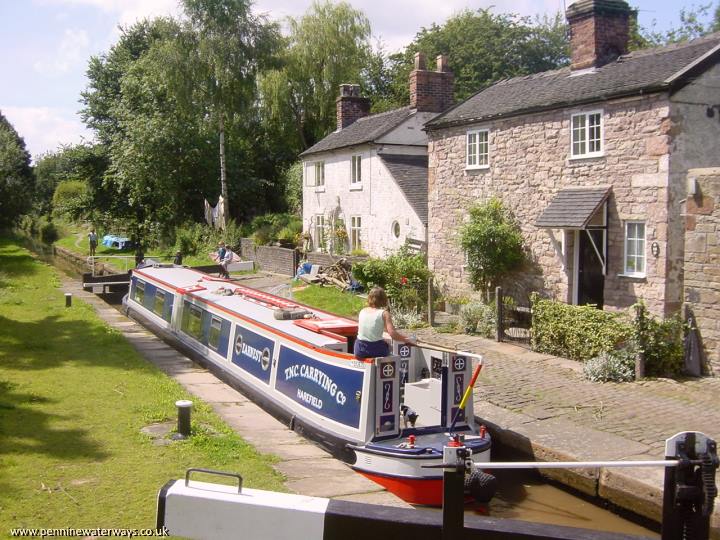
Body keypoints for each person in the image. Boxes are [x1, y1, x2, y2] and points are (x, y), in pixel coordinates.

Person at [354, 287, 416, 359]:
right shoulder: (384, 314)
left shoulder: (362, 311)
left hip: (360, 350)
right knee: (388, 346)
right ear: (383, 299)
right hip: (376, 350)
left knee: (382, 341)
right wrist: (406, 340)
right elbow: (393, 334)